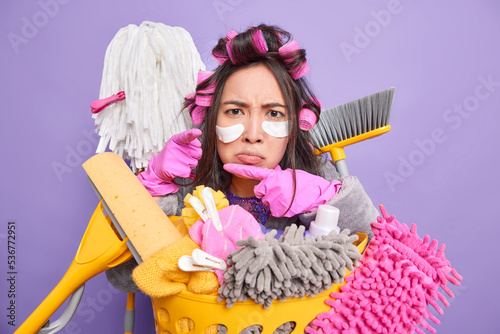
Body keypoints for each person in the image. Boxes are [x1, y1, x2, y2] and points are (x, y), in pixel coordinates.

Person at [107, 24, 378, 292]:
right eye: (236, 111)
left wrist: (326, 201)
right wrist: (151, 192)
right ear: (211, 119)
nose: (252, 134)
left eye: (273, 114)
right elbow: (122, 278)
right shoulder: (184, 184)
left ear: (293, 125)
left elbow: (378, 260)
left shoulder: (318, 178)